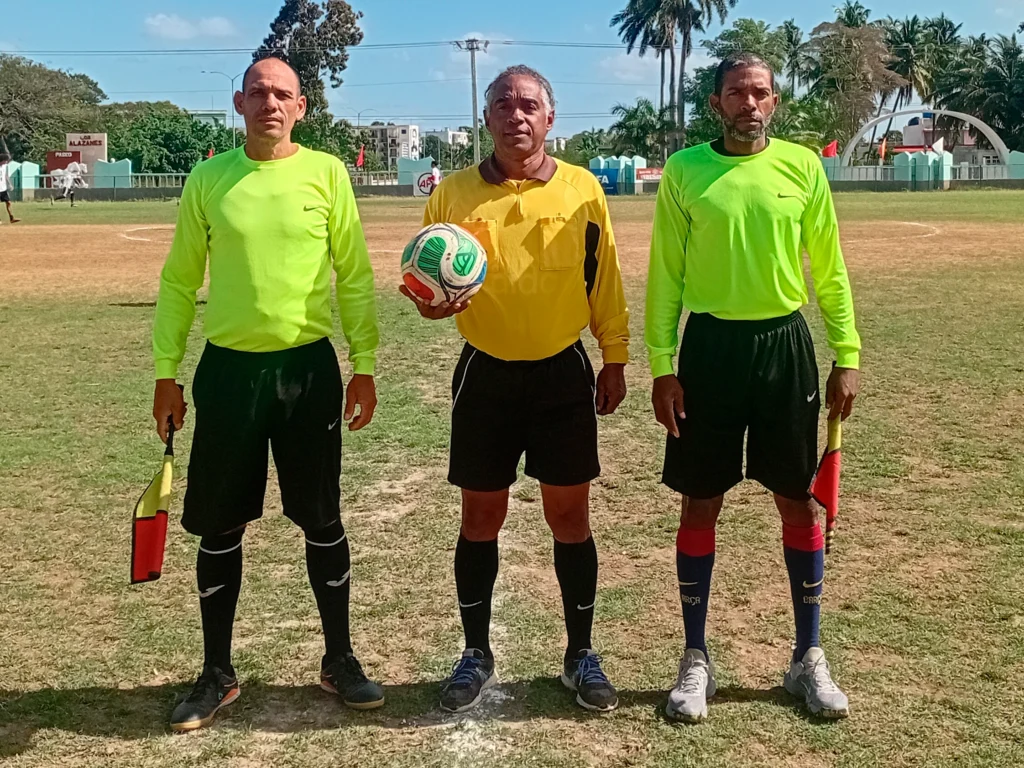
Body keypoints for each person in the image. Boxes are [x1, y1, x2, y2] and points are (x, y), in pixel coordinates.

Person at [152, 55, 384, 732]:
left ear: (302, 107)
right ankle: (217, 672)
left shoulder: (326, 173)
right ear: (238, 102)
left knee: (321, 520)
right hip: (228, 373)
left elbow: (355, 272)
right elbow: (177, 281)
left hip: (307, 373)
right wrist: (165, 372)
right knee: (221, 524)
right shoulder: (210, 178)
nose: (270, 103)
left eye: (282, 93)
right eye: (258, 92)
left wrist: (363, 362)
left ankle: (338, 659)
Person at [403, 65, 630, 714]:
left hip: (564, 372)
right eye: (502, 104)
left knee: (569, 517)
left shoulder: (583, 191)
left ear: (550, 118)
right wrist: (430, 304)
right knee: (481, 517)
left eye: (529, 104)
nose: (516, 115)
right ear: (487, 118)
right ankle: (475, 652)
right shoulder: (452, 196)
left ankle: (580, 654)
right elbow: (428, 274)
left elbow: (604, 279)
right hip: (487, 373)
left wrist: (613, 356)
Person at [645, 53, 861, 723]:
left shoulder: (802, 167)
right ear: (717, 104)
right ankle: (695, 660)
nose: (749, 103)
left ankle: (807, 659)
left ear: (775, 101)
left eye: (760, 92)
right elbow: (665, 275)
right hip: (708, 350)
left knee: (799, 505)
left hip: (785, 347)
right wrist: (662, 363)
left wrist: (846, 352)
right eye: (736, 92)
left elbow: (828, 265)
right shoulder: (684, 171)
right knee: (699, 503)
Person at [0, 154, 20, 223]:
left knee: (8, 203)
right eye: (5, 161)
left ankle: (12, 218)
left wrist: (10, 184)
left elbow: (6, 176)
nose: (6, 162)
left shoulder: (5, 166)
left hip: (3, 188)